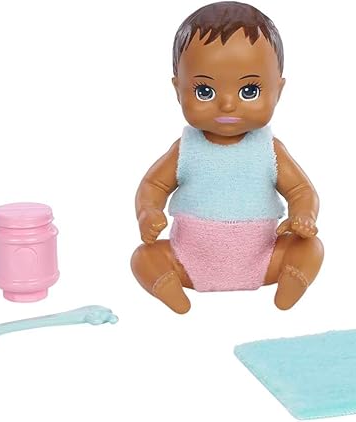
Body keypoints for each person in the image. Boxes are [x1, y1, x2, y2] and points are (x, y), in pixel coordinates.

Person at [131, 1, 324, 314]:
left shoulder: (269, 149)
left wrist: (304, 215)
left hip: (266, 259)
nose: (228, 105)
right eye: (204, 91)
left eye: (249, 90)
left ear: (278, 90)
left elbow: (301, 190)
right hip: (186, 261)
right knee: (144, 257)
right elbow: (154, 184)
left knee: (309, 248)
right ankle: (170, 289)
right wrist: (147, 212)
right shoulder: (186, 149)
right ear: (178, 89)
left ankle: (292, 279)